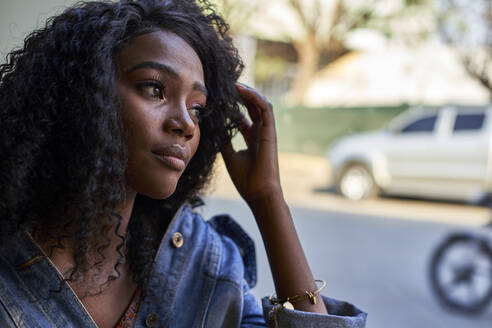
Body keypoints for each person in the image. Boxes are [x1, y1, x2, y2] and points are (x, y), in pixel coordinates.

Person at [0, 0, 367, 327]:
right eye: (154, 89)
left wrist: (269, 200)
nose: (187, 123)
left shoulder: (203, 262)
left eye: (197, 108)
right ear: (83, 94)